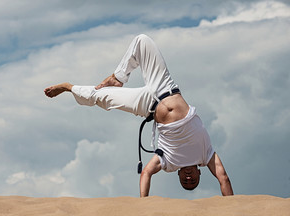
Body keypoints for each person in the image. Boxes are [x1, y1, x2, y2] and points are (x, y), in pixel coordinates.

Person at [44, 34, 234, 197]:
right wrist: (233, 208)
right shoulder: (206, 155)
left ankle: (68, 87)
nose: (189, 178)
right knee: (142, 41)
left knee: (101, 98)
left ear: (178, 175)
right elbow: (223, 178)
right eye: (192, 181)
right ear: (201, 174)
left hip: (148, 106)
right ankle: (118, 77)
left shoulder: (168, 162)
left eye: (186, 182)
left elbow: (146, 173)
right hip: (165, 88)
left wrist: (143, 205)